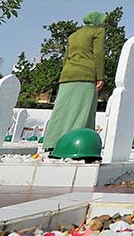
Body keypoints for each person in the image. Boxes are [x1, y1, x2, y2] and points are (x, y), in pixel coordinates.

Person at [44, 11, 106, 151]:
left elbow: (66, 57)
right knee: (82, 110)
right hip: (86, 74)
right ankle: (75, 144)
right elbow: (99, 54)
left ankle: (52, 142)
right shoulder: (98, 31)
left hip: (67, 74)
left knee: (61, 110)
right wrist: (100, 76)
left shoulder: (73, 35)